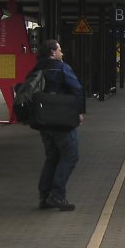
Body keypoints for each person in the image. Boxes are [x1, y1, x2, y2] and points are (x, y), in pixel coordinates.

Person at [32, 39, 85, 211]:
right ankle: (57, 195)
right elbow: (77, 89)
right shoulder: (62, 68)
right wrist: (80, 112)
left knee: (52, 157)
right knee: (70, 155)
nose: (62, 53)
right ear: (52, 52)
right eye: (59, 50)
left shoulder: (37, 68)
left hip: (43, 121)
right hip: (62, 120)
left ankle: (44, 196)